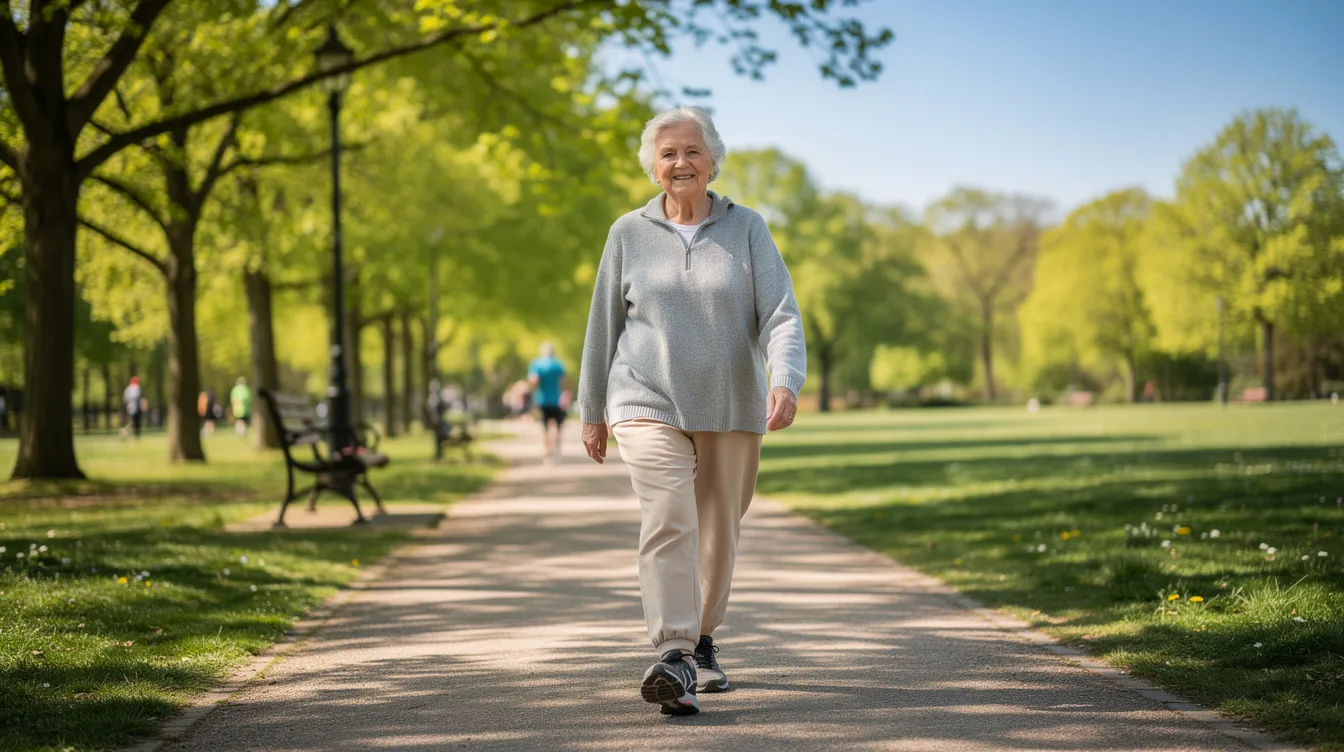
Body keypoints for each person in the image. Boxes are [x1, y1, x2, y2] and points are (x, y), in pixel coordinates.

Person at [578, 106, 806, 716]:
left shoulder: (748, 228)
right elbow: (603, 324)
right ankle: (674, 655)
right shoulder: (627, 232)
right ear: (655, 167)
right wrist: (592, 407)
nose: (681, 162)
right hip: (644, 398)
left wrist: (783, 378)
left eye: (692, 152)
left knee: (720, 531)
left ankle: (704, 642)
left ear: (712, 162)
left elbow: (781, 312)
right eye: (669, 153)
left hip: (731, 402)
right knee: (669, 513)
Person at [528, 342, 568, 463]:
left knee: (545, 428)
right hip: (557, 401)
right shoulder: (558, 364)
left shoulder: (536, 364)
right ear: (553, 352)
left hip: (542, 400)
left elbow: (533, 381)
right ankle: (557, 450)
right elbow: (564, 381)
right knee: (557, 427)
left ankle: (548, 453)